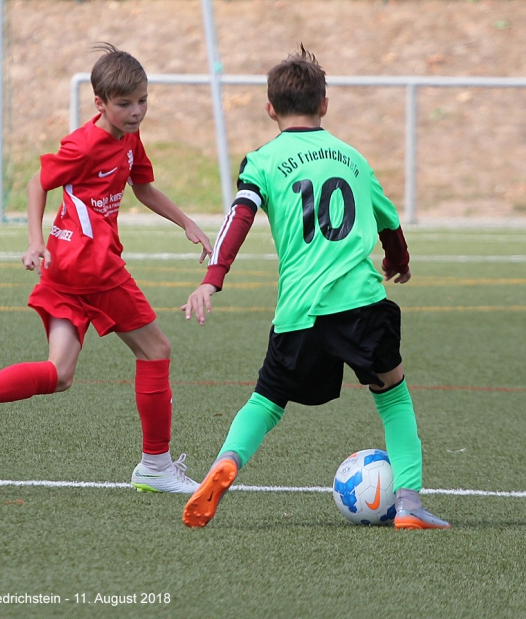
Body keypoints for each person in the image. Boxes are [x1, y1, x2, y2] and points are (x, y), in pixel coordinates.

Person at [180, 46, 450, 528]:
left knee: (265, 401)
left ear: (270, 109)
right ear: (324, 104)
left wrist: (211, 280)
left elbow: (239, 218)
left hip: (299, 309)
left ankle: (227, 461)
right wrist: (398, 261)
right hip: (360, 304)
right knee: (393, 395)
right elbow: (388, 221)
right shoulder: (353, 158)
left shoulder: (262, 161)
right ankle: (409, 505)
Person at [0, 44, 213, 494]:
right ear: (100, 103)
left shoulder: (129, 137)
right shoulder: (84, 144)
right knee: (156, 350)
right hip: (93, 266)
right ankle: (155, 465)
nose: (136, 111)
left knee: (59, 373)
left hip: (64, 269)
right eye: (125, 104)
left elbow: (143, 188)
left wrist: (186, 222)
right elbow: (37, 182)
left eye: (142, 101)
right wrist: (33, 240)